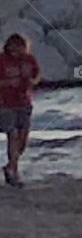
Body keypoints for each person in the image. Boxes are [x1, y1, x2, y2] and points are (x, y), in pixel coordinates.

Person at [0, 33, 41, 187]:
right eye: (13, 46)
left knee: (22, 139)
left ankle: (11, 165)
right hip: (5, 103)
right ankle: (13, 172)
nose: (16, 50)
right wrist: (8, 82)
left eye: (20, 46)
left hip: (24, 102)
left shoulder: (29, 60)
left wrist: (31, 81)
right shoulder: (2, 60)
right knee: (13, 134)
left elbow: (36, 75)